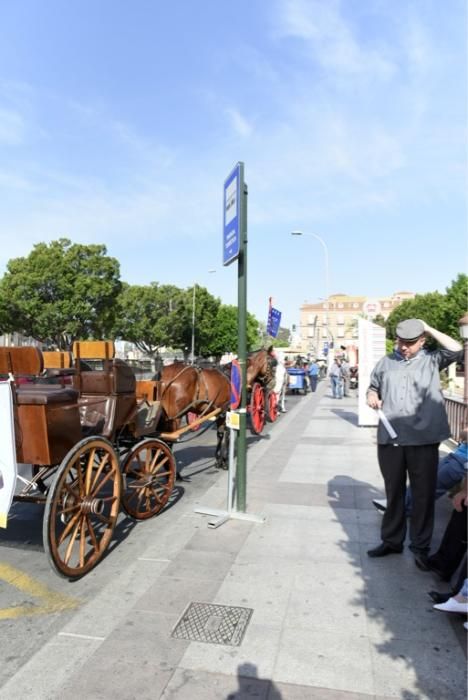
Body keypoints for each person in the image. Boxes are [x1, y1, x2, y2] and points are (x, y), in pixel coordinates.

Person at [366, 318, 462, 569]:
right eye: (400, 342)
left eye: (410, 343)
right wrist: (372, 394)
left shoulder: (432, 360)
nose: (403, 347)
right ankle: (391, 540)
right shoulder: (386, 362)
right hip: (390, 439)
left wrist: (428, 327)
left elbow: (456, 349)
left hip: (423, 440)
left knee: (423, 495)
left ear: (422, 341)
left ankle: (420, 547)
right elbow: (372, 386)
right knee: (393, 492)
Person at [372, 430, 467, 515]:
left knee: (433, 485)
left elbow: (464, 434)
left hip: (463, 463)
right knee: (423, 475)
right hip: (455, 456)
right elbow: (463, 434)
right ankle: (398, 504)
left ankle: (401, 509)